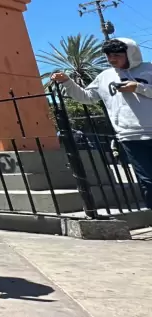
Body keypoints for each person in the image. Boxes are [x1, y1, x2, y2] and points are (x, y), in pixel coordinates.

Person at [51, 37, 152, 209]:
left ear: (130, 53)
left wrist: (138, 87)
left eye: (117, 55)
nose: (112, 59)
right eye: (108, 56)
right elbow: (86, 97)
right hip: (130, 137)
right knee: (148, 181)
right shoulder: (105, 77)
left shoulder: (148, 70)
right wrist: (67, 82)